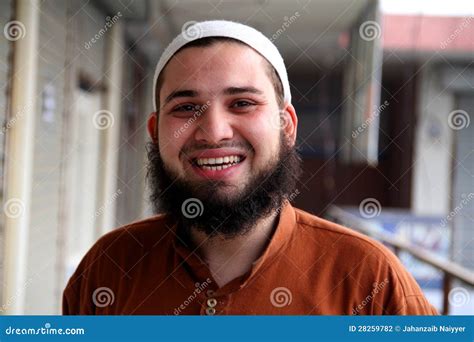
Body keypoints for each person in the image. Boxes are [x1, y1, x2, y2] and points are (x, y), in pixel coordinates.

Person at [63, 20, 437, 315]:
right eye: (185, 107)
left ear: (286, 126)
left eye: (242, 103)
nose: (213, 132)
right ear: (156, 132)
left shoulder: (369, 279)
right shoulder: (109, 267)